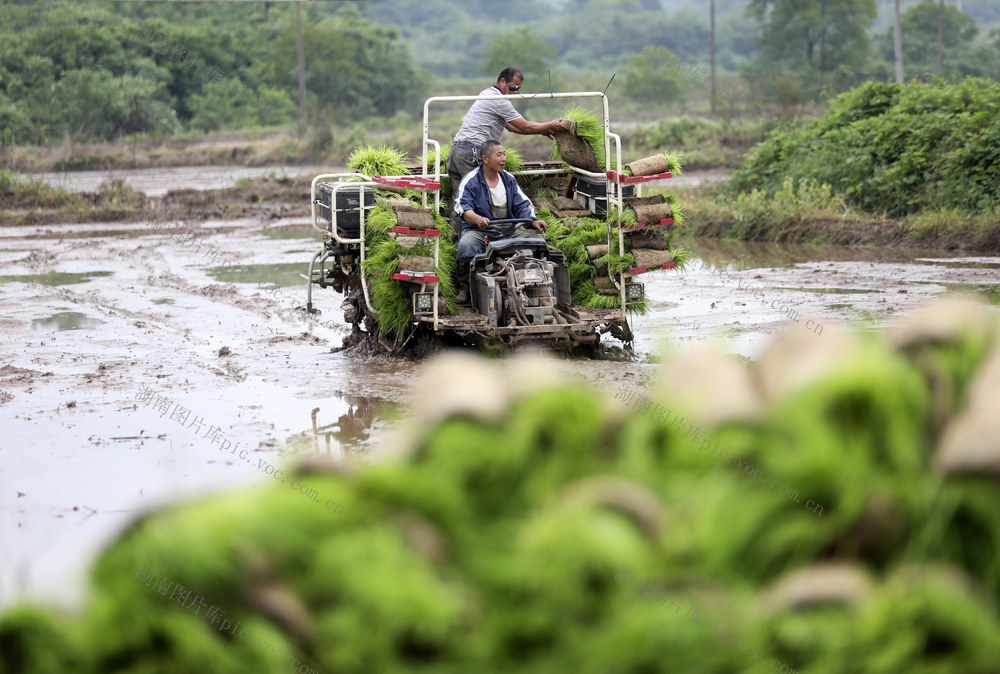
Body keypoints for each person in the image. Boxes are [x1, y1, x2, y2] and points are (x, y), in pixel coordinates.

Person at [452, 140, 547, 303]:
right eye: (499, 155)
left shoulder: (508, 179)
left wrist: (533, 221)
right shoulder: (471, 181)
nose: (503, 158)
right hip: (480, 232)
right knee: (466, 245)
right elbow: (463, 208)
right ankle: (465, 285)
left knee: (537, 242)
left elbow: (522, 205)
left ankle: (534, 284)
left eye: (504, 154)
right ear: (485, 158)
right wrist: (478, 219)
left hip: (508, 231)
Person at [446, 67, 564, 187]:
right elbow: (524, 126)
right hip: (471, 153)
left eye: (518, 89)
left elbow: (512, 127)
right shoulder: (500, 100)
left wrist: (541, 130)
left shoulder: (487, 93)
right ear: (502, 81)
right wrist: (550, 124)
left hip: (456, 151)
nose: (515, 92)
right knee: (478, 194)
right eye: (514, 87)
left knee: (461, 197)